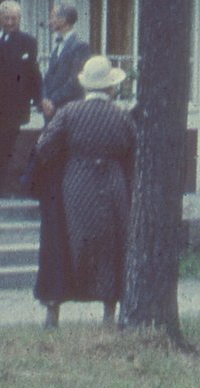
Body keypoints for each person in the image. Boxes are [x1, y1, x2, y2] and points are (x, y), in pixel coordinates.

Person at [32, 55, 136, 328]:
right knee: (113, 245)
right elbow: (132, 149)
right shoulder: (121, 116)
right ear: (111, 88)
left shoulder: (69, 112)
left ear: (86, 87)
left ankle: (53, 313)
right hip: (112, 184)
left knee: (65, 242)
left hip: (76, 183)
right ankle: (109, 314)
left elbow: (44, 146)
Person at [0, 0, 41, 201]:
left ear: (19, 19)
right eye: (7, 18)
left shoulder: (28, 42)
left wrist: (37, 100)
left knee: (4, 150)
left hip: (15, 107)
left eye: (14, 18)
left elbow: (32, 73)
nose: (10, 22)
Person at [39, 4, 89, 120]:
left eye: (53, 17)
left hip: (68, 111)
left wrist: (52, 100)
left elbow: (76, 81)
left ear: (63, 20)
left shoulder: (80, 46)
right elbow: (48, 77)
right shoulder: (57, 47)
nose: (50, 21)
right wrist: (44, 99)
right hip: (51, 111)